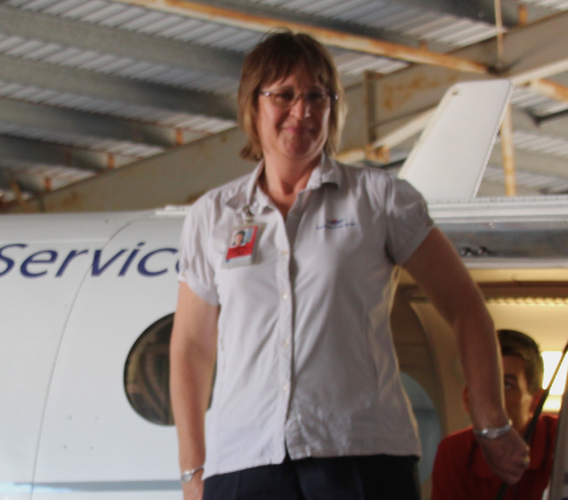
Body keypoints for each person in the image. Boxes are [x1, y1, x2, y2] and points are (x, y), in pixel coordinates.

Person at [170, 30, 529, 500]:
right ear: (252, 105)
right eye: (284, 95)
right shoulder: (212, 216)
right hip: (244, 462)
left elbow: (465, 307)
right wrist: (192, 469)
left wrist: (491, 423)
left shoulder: (380, 200)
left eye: (317, 96)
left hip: (361, 454)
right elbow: (192, 348)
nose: (302, 111)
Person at [431, 330, 559, 500]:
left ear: (537, 400)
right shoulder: (455, 452)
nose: (490, 396)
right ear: (466, 397)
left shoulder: (563, 441)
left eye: (506, 385)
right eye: (482, 382)